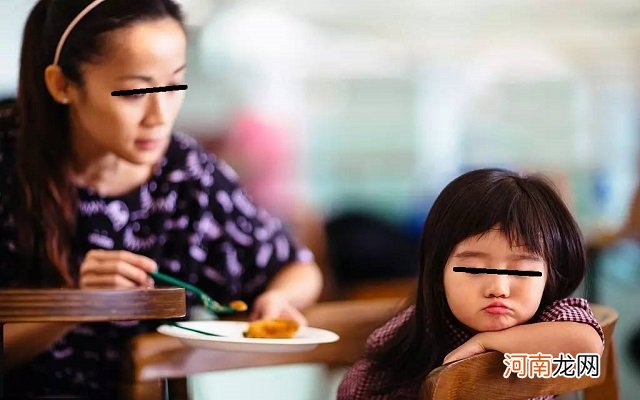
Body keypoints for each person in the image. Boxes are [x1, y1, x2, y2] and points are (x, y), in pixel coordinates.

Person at [0, 0, 322, 397]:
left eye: (174, 85)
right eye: (135, 92)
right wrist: (77, 304)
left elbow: (298, 270)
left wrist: (276, 300)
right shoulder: (7, 162)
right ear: (62, 85)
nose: (160, 116)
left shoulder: (187, 175)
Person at [337, 168, 605, 400]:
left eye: (522, 271)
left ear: (548, 277)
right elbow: (354, 389)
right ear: (438, 273)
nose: (499, 287)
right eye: (475, 269)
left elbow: (589, 350)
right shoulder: (419, 330)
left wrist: (487, 342)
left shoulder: (552, 318)